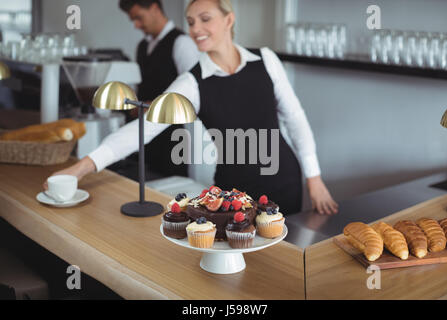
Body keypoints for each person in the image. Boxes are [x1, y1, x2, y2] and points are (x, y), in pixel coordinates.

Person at [47, 0, 338, 215]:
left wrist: (314, 179)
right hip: (231, 196)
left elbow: (295, 118)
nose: (195, 28)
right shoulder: (192, 83)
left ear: (228, 20)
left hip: (284, 182)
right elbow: (143, 129)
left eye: (205, 19)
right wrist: (81, 168)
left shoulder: (266, 60)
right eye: (190, 21)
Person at [117, 0, 199, 179]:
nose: (136, 25)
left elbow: (196, 94)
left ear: (154, 8)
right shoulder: (142, 46)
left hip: (172, 140)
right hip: (146, 135)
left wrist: (152, 105)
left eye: (139, 18)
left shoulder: (182, 43)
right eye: (133, 20)